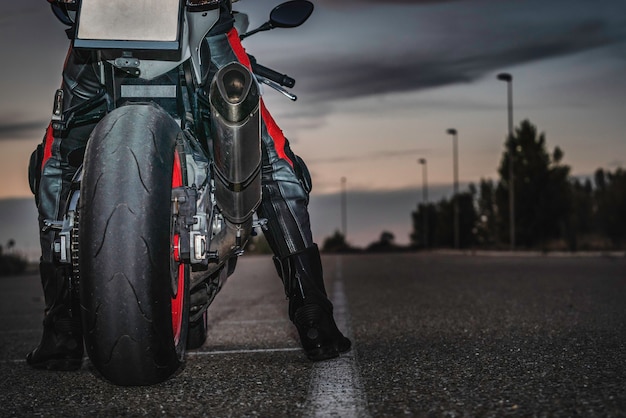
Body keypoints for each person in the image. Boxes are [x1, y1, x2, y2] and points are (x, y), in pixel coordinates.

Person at [27, 0, 350, 371]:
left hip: (102, 25)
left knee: (56, 163)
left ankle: (62, 330)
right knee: (272, 159)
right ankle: (314, 318)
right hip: (200, 23)